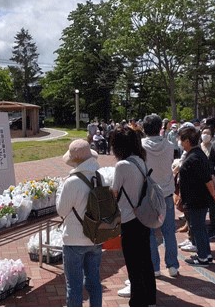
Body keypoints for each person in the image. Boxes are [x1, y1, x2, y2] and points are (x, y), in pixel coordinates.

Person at [111, 126, 156, 306]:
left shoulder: (122, 165)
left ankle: (138, 301)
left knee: (133, 262)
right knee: (145, 260)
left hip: (129, 219)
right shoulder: (141, 160)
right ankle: (150, 298)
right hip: (144, 217)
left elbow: (115, 192)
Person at [56, 139, 102, 307]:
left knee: (74, 287)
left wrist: (60, 189)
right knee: (94, 283)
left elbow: (61, 211)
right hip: (96, 236)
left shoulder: (72, 182)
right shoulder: (100, 176)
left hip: (74, 240)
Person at [140, 114, 179, 278]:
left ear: (144, 128)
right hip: (166, 193)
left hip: (148, 195)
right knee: (169, 232)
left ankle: (154, 267)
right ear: (160, 128)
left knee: (149, 234)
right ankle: (173, 266)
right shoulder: (170, 146)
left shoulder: (140, 146)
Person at [178, 126, 215, 267]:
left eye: (182, 140)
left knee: (197, 227)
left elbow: (207, 178)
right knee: (200, 227)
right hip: (198, 198)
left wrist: (214, 193)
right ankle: (206, 254)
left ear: (188, 141)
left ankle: (203, 257)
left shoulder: (194, 157)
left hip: (197, 199)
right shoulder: (197, 154)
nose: (180, 143)